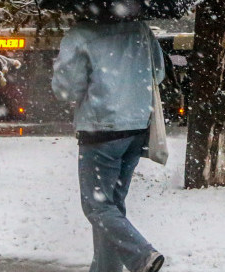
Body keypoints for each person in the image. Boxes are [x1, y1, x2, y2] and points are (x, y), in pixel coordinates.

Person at [53, 17, 167, 272]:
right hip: (136, 128)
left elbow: (66, 89)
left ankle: (142, 256)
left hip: (100, 130)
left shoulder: (81, 34)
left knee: (96, 206)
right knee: (111, 207)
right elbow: (157, 73)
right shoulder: (140, 28)